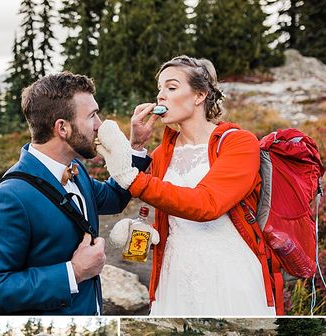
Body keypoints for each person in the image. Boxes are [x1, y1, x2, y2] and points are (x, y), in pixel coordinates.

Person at [96, 55, 282, 316]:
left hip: (227, 272)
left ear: (199, 95)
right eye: (159, 88)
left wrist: (131, 176)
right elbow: (165, 208)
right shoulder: (162, 153)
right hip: (174, 272)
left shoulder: (238, 143)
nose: (161, 96)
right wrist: (136, 146)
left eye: (171, 87)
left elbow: (207, 204)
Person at [0, 72, 150, 316]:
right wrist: (74, 272)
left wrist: (136, 147)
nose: (99, 125)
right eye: (91, 116)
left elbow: (113, 198)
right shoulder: (9, 198)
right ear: (62, 128)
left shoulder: (76, 171)